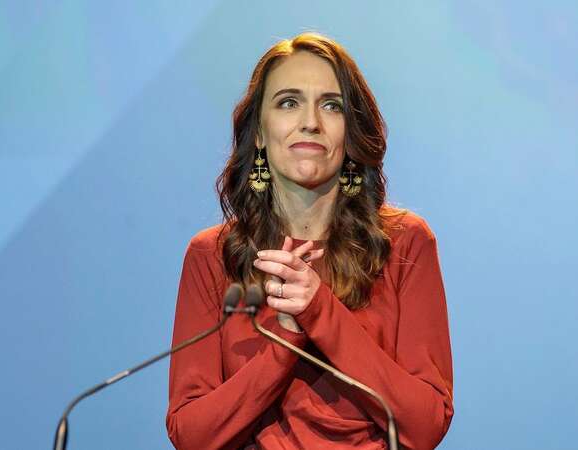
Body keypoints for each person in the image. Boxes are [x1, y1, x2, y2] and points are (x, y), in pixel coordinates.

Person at [165, 32, 453, 450]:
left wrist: (319, 311)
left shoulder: (405, 242)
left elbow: (424, 425)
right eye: (288, 102)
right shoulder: (211, 255)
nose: (311, 121)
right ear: (259, 134)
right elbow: (192, 436)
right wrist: (285, 343)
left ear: (351, 133)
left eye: (331, 105)